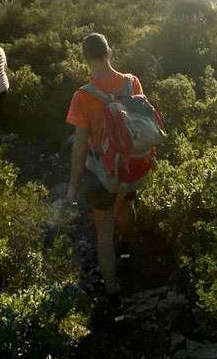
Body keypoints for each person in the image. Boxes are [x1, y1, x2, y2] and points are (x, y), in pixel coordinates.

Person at [66, 32, 143, 301]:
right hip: (132, 165)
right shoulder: (132, 83)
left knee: (104, 233)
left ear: (86, 58)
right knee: (127, 204)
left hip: (102, 172)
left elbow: (80, 147)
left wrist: (73, 186)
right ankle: (130, 250)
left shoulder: (82, 96)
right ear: (109, 52)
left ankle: (113, 292)